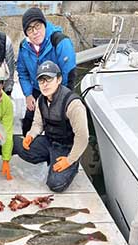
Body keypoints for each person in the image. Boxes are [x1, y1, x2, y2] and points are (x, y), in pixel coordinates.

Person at [13, 61, 88, 193]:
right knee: (15, 143)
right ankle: (49, 158)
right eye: (41, 81)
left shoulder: (73, 104)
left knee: (55, 185)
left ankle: (72, 166)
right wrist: (30, 135)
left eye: (49, 79)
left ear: (59, 79)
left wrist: (69, 160)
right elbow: (38, 124)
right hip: (48, 141)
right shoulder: (41, 99)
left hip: (67, 148)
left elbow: (83, 138)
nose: (45, 84)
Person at [16, 7, 77, 137]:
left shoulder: (61, 42)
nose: (35, 32)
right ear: (26, 33)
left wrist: (60, 101)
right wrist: (28, 94)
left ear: (44, 24)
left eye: (37, 26)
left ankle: (62, 149)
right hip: (37, 89)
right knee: (28, 122)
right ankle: (30, 148)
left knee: (59, 124)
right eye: (30, 29)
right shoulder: (24, 47)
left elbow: (69, 75)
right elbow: (22, 72)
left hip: (58, 90)